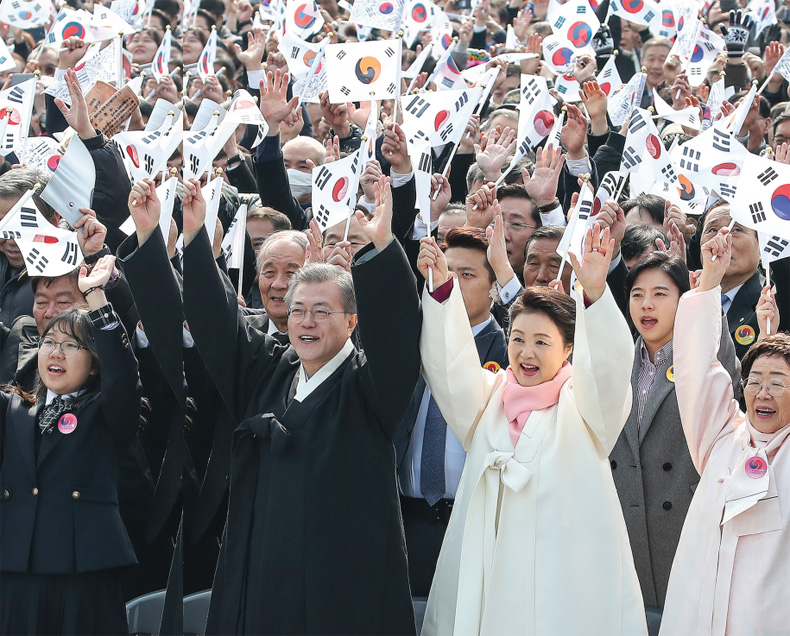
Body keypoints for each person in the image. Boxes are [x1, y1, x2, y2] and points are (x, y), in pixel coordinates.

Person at [124, 175, 420, 635]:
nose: (305, 321)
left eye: (323, 311)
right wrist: (191, 238)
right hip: (263, 580)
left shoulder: (370, 386)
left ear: (352, 319)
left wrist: (381, 246)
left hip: (343, 585)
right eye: (299, 309)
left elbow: (398, 335)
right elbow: (216, 323)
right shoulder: (270, 371)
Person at [416, 223, 646, 635]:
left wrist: (593, 293)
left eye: (542, 342)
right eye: (518, 338)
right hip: (488, 581)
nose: (526, 352)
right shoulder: (488, 397)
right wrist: (439, 291)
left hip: (561, 591)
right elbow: (448, 366)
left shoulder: (584, 406)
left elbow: (609, 374)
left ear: (569, 348)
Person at [0, 257, 142, 635]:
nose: (56, 353)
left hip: (84, 573)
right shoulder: (13, 406)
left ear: (95, 364)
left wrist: (96, 295)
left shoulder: (105, 410)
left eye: (71, 345)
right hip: (16, 569)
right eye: (49, 342)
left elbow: (124, 374)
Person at [661, 228, 790, 635]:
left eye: (778, 383)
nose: (763, 393)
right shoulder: (720, 437)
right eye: (755, 381)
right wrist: (710, 285)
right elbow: (698, 369)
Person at [610, 252, 740, 615]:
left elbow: (723, 373)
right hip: (624, 526)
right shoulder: (617, 360)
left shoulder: (697, 361)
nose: (646, 305)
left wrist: (709, 294)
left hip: (683, 525)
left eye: (661, 294)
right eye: (637, 294)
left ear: (685, 300)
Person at [395, 226, 508, 597]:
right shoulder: (414, 339)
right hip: (405, 522)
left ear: (494, 286)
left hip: (471, 523)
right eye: (446, 269)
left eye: (467, 274)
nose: (452, 281)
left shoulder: (511, 351)